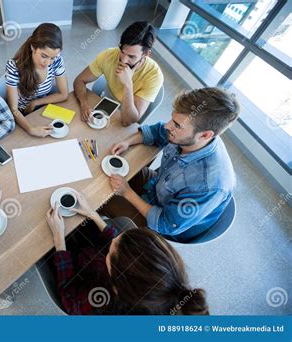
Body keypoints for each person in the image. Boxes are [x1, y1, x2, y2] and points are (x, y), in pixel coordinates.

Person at [106, 87, 240, 242]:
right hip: (159, 186)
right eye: (172, 119)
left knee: (100, 201)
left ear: (205, 135)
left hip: (160, 225)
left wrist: (127, 192)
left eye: (177, 125)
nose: (168, 126)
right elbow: (157, 131)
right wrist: (126, 142)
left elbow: (165, 223)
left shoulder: (208, 185)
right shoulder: (192, 135)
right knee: (112, 170)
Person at [46, 190, 209, 315]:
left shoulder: (102, 305)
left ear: (115, 279)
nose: (114, 238)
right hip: (89, 258)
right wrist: (93, 215)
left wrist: (59, 240)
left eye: (111, 251)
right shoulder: (162, 282)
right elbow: (118, 241)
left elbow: (69, 299)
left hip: (72, 273)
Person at [74, 21, 164, 126]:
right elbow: (79, 80)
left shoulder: (154, 75)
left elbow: (128, 121)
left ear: (146, 54)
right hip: (106, 105)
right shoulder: (109, 55)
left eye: (131, 56)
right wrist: (84, 104)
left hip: (126, 115)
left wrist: (128, 85)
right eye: (122, 51)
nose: (123, 60)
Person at [5, 23, 69, 137]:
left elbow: (64, 94)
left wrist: (35, 103)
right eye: (44, 56)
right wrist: (31, 129)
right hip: (23, 115)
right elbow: (13, 109)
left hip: (41, 107)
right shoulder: (14, 67)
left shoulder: (57, 60)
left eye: (52, 58)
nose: (48, 63)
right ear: (33, 47)